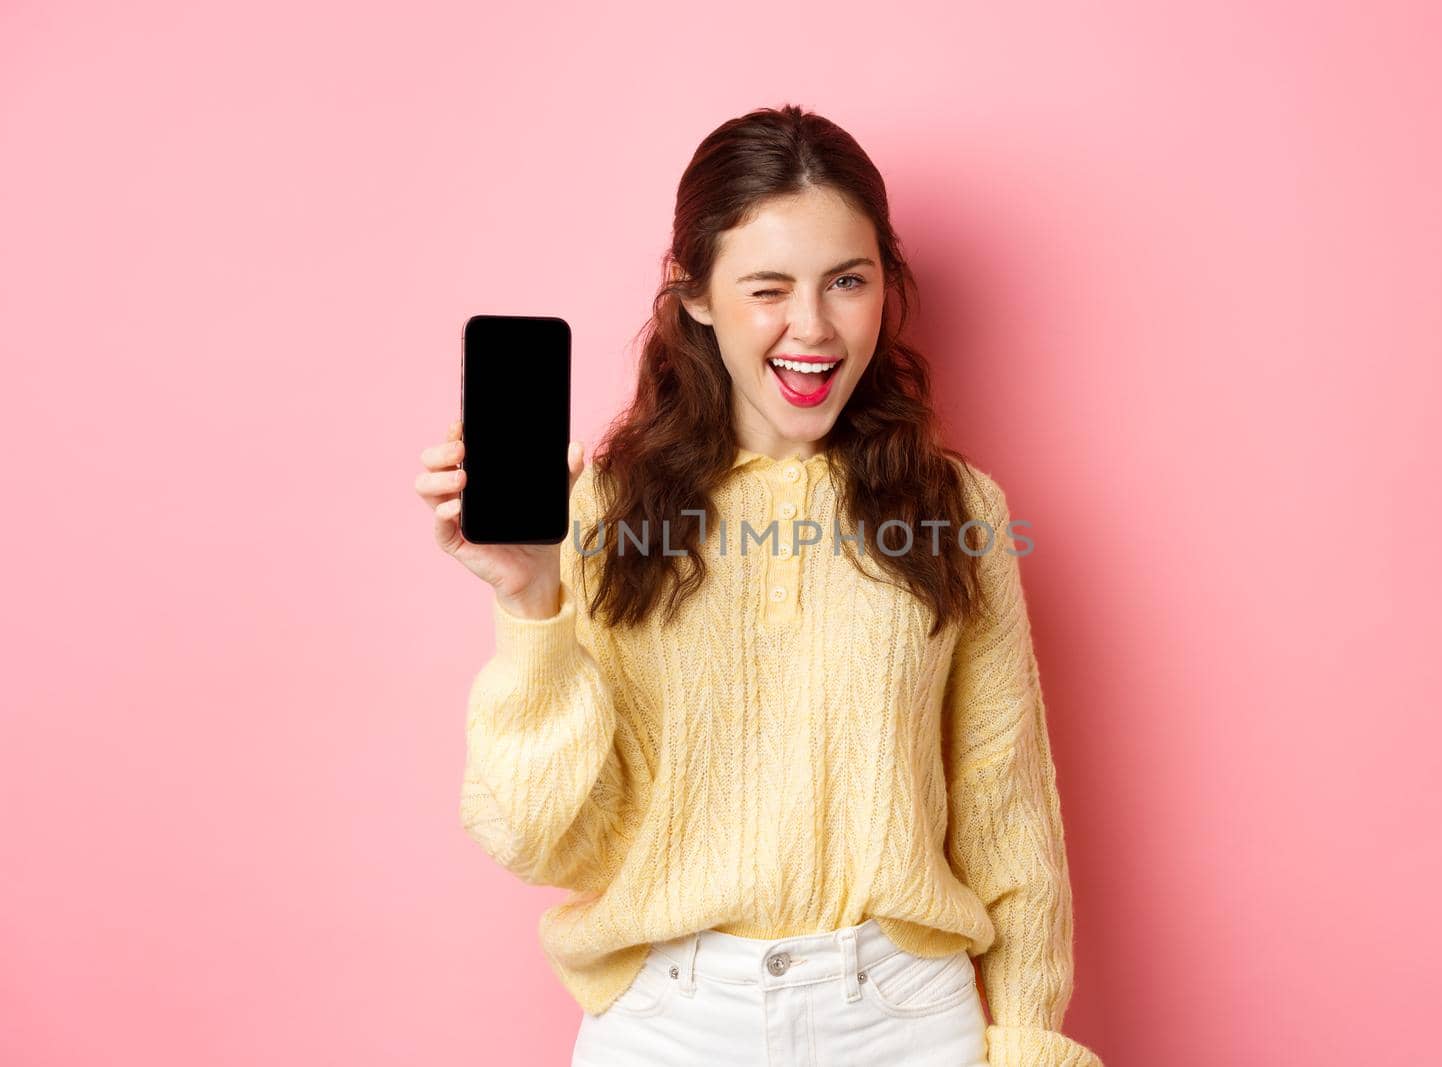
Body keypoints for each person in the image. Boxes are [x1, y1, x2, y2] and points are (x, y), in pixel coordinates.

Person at [415, 104, 1104, 1067]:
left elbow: (1008, 813)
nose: (812, 328)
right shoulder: (602, 510)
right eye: (767, 288)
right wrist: (533, 599)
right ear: (694, 294)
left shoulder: (958, 509)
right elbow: (539, 839)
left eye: (848, 282)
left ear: (884, 287)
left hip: (903, 1021)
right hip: (670, 1022)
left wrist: (1028, 1038)